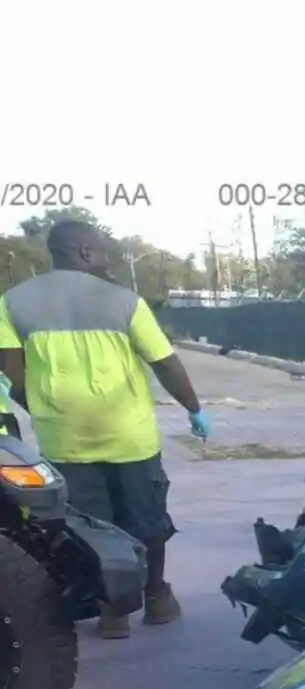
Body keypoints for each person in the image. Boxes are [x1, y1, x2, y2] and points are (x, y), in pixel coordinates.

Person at [0, 219, 209, 635]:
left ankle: (111, 612)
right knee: (147, 520)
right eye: (100, 251)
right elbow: (165, 362)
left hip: (64, 440)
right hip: (130, 437)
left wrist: (46, 408)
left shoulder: (11, 304)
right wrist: (193, 409)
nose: (105, 259)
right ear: (82, 251)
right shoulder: (125, 301)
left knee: (89, 526)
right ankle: (155, 597)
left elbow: (12, 377)